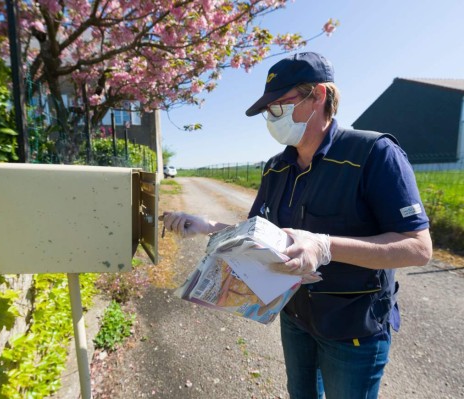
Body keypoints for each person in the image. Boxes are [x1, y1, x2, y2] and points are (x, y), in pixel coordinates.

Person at [162, 52, 432, 399]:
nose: (272, 118)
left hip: (352, 326)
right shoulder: (276, 167)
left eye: (279, 106)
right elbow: (261, 236)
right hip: (295, 316)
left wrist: (325, 246)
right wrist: (208, 226)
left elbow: (418, 248)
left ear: (318, 95)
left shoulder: (372, 154)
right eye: (267, 112)